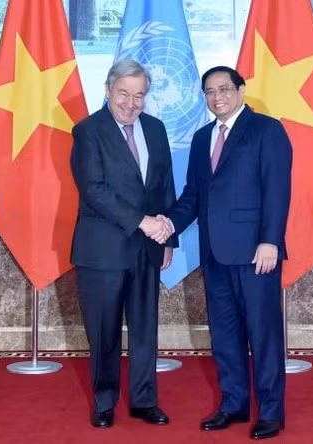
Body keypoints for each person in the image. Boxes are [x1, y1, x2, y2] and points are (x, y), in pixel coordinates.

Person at [162, 66, 292, 440]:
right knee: (225, 335)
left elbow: (277, 189)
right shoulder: (202, 137)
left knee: (263, 335)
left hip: (256, 253)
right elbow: (194, 195)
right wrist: (169, 226)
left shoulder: (267, 130)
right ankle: (233, 404)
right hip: (215, 255)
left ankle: (271, 412)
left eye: (224, 89)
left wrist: (270, 241)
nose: (216, 97)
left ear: (241, 90)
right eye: (209, 91)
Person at [70, 59, 176, 429]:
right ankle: (104, 402)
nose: (131, 103)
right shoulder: (88, 131)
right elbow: (94, 189)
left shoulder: (156, 129)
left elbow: (164, 186)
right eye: (124, 94)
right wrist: (144, 223)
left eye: (139, 95)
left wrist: (168, 237)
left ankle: (145, 401)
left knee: (146, 329)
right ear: (108, 90)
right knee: (104, 332)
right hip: (103, 249)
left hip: (148, 249)